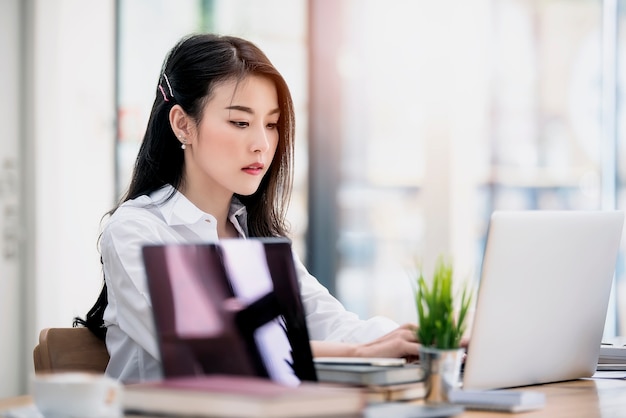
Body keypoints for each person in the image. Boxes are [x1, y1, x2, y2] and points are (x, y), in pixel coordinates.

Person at [76, 33, 419, 383]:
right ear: (182, 124)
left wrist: (416, 342)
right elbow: (210, 350)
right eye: (240, 123)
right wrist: (360, 354)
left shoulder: (254, 236)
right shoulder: (136, 230)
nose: (263, 144)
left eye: (271, 124)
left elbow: (331, 322)